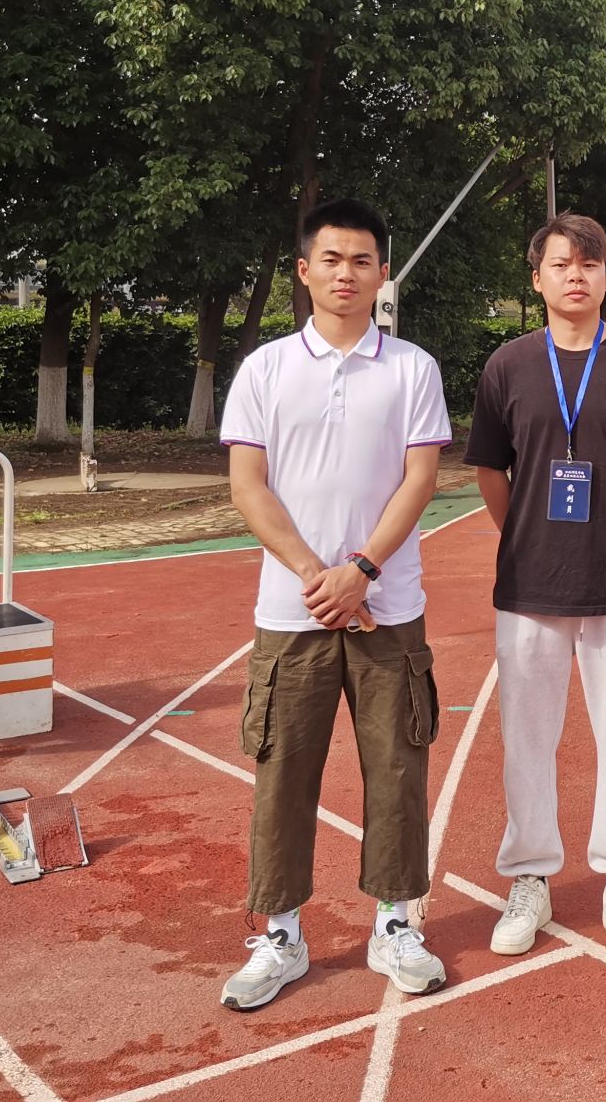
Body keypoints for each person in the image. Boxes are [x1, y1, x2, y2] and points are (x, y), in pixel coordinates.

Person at [217, 198, 453, 1011]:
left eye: (361, 261)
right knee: (282, 772)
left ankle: (395, 921)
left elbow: (420, 477)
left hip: (390, 607)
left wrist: (362, 570)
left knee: (397, 768)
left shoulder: (412, 369)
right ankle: (280, 932)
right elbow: (247, 486)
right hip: (292, 615)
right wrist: (318, 576)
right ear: (303, 270)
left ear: (382, 272)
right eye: (331, 259)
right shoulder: (265, 369)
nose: (345, 273)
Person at [466, 212, 606, 963]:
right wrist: (527, 532)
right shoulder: (508, 365)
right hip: (529, 583)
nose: (576, 276)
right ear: (537, 279)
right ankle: (530, 876)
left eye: (589, 265)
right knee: (526, 740)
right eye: (561, 264)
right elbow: (489, 470)